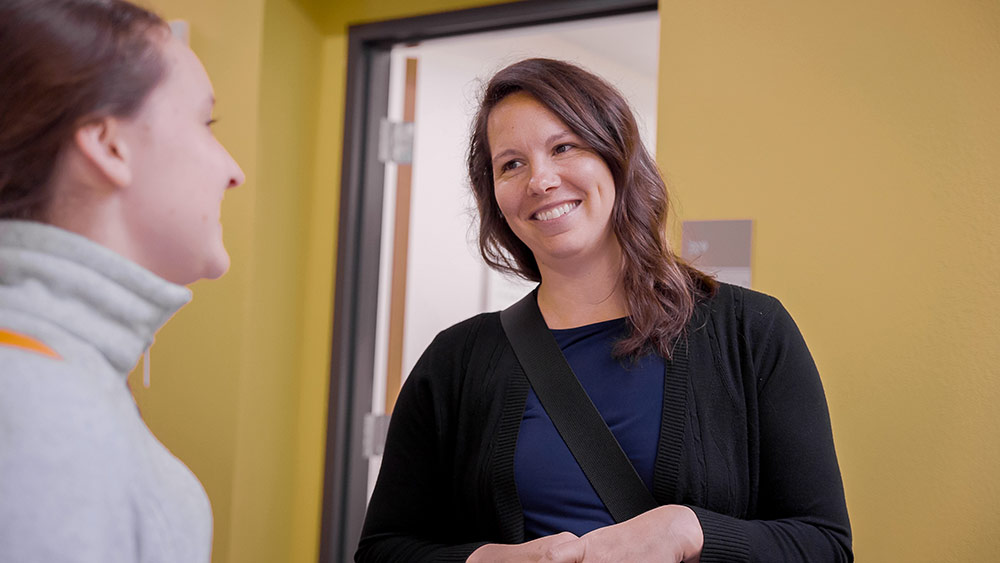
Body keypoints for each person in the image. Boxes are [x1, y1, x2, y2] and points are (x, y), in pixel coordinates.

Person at [355, 58, 852, 562]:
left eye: (563, 147)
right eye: (511, 163)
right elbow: (383, 550)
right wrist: (489, 559)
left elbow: (826, 546)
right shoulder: (455, 361)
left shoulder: (752, 332)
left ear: (617, 156)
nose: (540, 180)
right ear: (495, 196)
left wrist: (688, 532)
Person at [0, 0, 244, 561]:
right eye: (205, 124)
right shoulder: (45, 419)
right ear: (109, 146)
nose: (234, 170)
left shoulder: (59, 385)